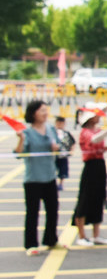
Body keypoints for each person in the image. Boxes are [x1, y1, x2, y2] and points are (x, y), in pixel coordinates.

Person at [15, 100, 61, 256]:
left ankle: (51, 240)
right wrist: (21, 139)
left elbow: (59, 146)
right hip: (33, 179)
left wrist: (56, 148)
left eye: (46, 110)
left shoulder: (50, 129)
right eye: (42, 110)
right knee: (33, 213)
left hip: (50, 176)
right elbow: (19, 154)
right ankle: (31, 244)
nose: (45, 113)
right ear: (33, 113)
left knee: (53, 210)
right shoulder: (27, 132)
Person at [73, 103, 107, 246]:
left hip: (99, 165)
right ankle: (81, 236)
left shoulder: (97, 130)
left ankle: (96, 235)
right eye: (96, 115)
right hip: (90, 167)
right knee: (85, 200)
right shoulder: (85, 132)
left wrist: (102, 150)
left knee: (98, 199)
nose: (99, 117)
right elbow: (94, 140)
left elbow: (97, 142)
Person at [54, 115, 75, 190]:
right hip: (54, 155)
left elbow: (72, 142)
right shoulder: (52, 132)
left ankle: (61, 184)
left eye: (61, 123)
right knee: (53, 170)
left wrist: (71, 151)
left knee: (63, 170)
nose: (59, 125)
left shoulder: (66, 133)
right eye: (58, 123)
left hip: (63, 155)